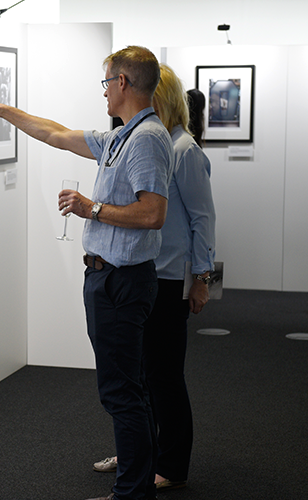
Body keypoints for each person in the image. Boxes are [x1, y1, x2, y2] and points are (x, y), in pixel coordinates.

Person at [0, 45, 173, 500]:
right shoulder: (121, 136)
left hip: (122, 280)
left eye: (106, 83)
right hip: (108, 277)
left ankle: (133, 492)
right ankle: (136, 483)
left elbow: (153, 213)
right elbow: (55, 133)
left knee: (121, 391)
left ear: (122, 83)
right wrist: (2, 110)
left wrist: (91, 208)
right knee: (124, 387)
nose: (103, 94)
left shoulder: (147, 140)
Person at [91, 65, 216, 493]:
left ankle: (172, 464)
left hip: (167, 279)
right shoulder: (143, 143)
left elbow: (204, 221)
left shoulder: (183, 149)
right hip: (143, 272)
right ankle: (137, 456)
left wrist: (203, 280)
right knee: (138, 377)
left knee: (163, 377)